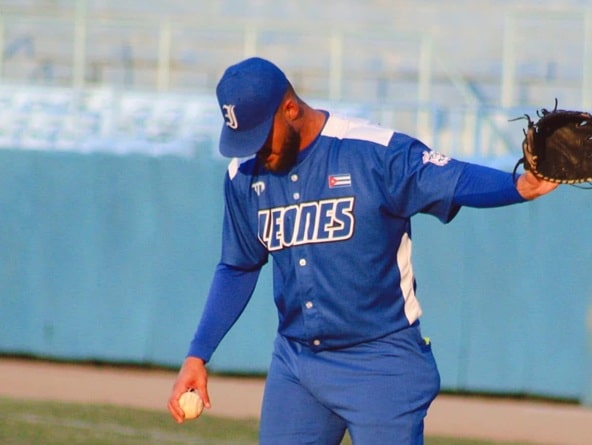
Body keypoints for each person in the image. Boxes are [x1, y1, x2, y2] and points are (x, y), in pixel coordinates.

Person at [167, 56, 557, 444]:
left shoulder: (373, 152)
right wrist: (197, 355)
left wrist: (522, 186)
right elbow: (238, 267)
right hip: (298, 366)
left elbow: (453, 177)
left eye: (259, 137)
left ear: (290, 109)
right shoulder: (244, 176)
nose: (255, 152)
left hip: (381, 362)